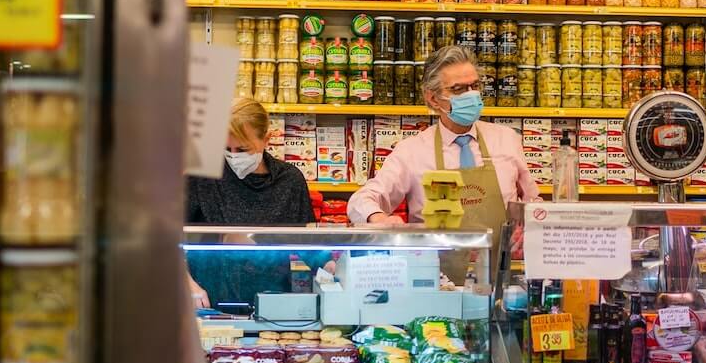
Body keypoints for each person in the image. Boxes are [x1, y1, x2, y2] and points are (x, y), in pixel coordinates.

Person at [347, 45, 538, 230]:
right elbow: (361, 200)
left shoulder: (507, 139)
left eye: (475, 86)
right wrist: (378, 218)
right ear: (433, 99)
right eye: (458, 89)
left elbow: (533, 205)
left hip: (500, 261)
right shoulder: (412, 151)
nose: (471, 95)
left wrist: (531, 226)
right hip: (436, 262)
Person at [186, 98, 317, 308]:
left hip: (276, 304)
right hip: (210, 302)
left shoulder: (290, 180)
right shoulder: (204, 177)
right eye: (227, 149)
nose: (234, 156)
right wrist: (188, 284)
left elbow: (309, 247)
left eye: (243, 149)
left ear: (267, 139)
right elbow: (168, 239)